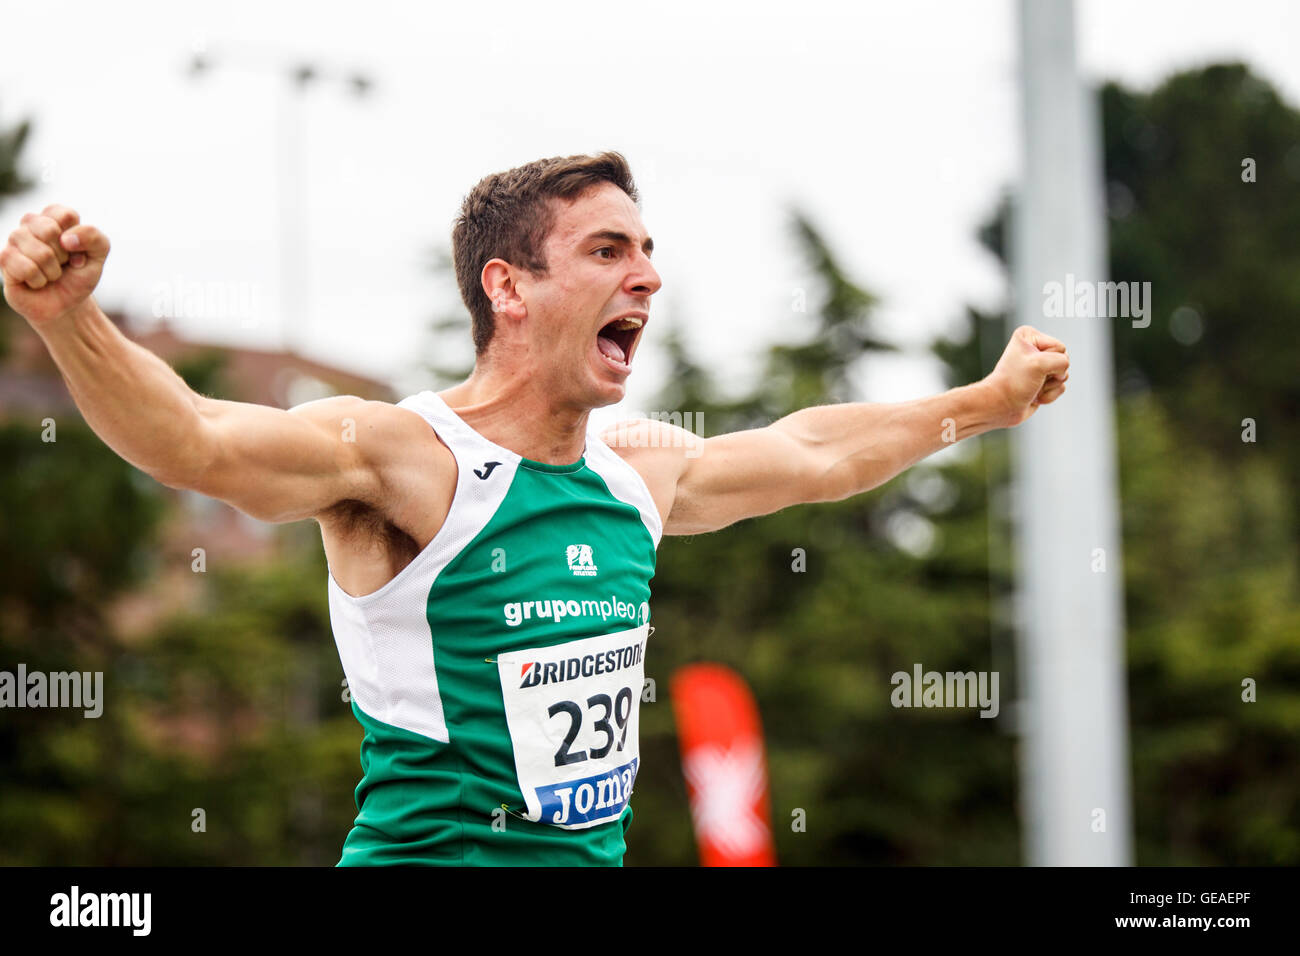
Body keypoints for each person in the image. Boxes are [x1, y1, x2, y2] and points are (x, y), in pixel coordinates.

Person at [0, 151, 1069, 866]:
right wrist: (69, 320)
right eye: (609, 251)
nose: (646, 276)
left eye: (648, 252)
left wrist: (982, 403)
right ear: (507, 289)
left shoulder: (634, 476)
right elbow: (193, 440)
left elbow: (812, 452)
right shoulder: (404, 459)